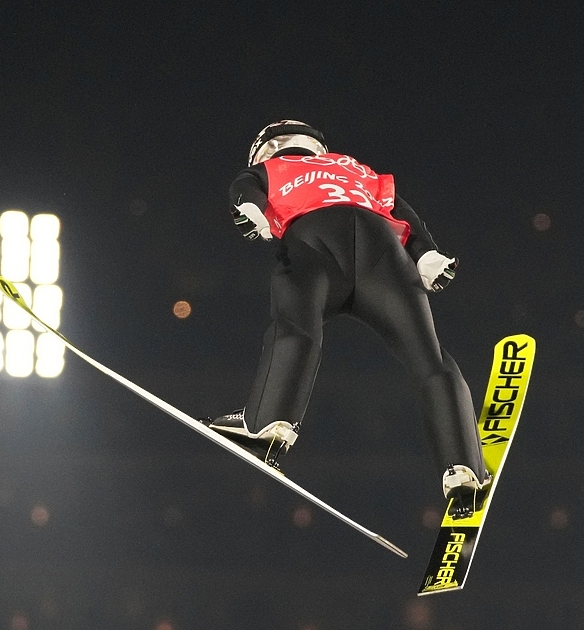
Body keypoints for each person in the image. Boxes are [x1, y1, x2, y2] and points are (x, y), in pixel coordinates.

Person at [203, 120, 488, 511]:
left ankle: (271, 422)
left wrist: (252, 211)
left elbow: (244, 188)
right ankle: (464, 465)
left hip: (312, 240)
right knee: (430, 358)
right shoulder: (355, 167)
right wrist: (428, 254)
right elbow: (402, 212)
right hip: (382, 252)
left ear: (266, 149)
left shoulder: (272, 168)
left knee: (295, 329)